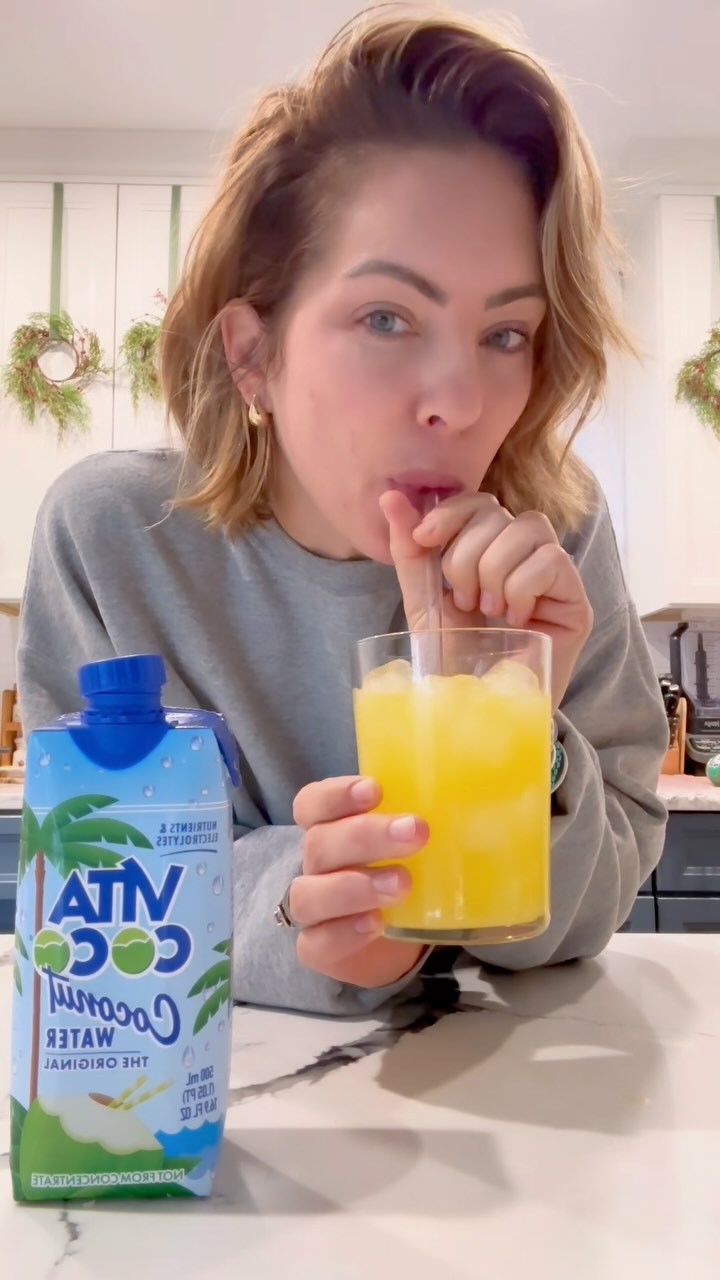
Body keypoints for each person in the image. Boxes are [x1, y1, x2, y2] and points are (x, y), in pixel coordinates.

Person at [18, 5, 669, 1015]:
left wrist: (508, 721)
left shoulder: (557, 535)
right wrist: (309, 912)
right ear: (253, 355)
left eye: (506, 333)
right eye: (386, 317)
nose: (460, 401)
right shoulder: (114, 539)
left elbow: (592, 907)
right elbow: (93, 876)